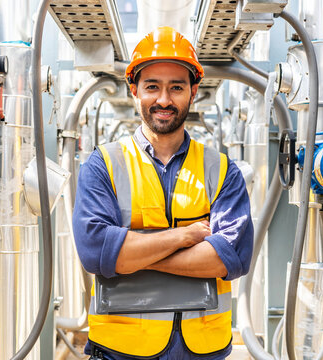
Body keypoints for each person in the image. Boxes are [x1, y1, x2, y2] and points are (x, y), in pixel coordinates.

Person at [73, 26, 254, 360]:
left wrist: (132, 256)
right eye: (152, 86)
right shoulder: (104, 165)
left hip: (202, 348)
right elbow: (96, 252)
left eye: (177, 87)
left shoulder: (221, 169)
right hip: (122, 349)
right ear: (134, 90)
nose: (164, 100)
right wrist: (185, 236)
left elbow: (233, 256)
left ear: (194, 91)